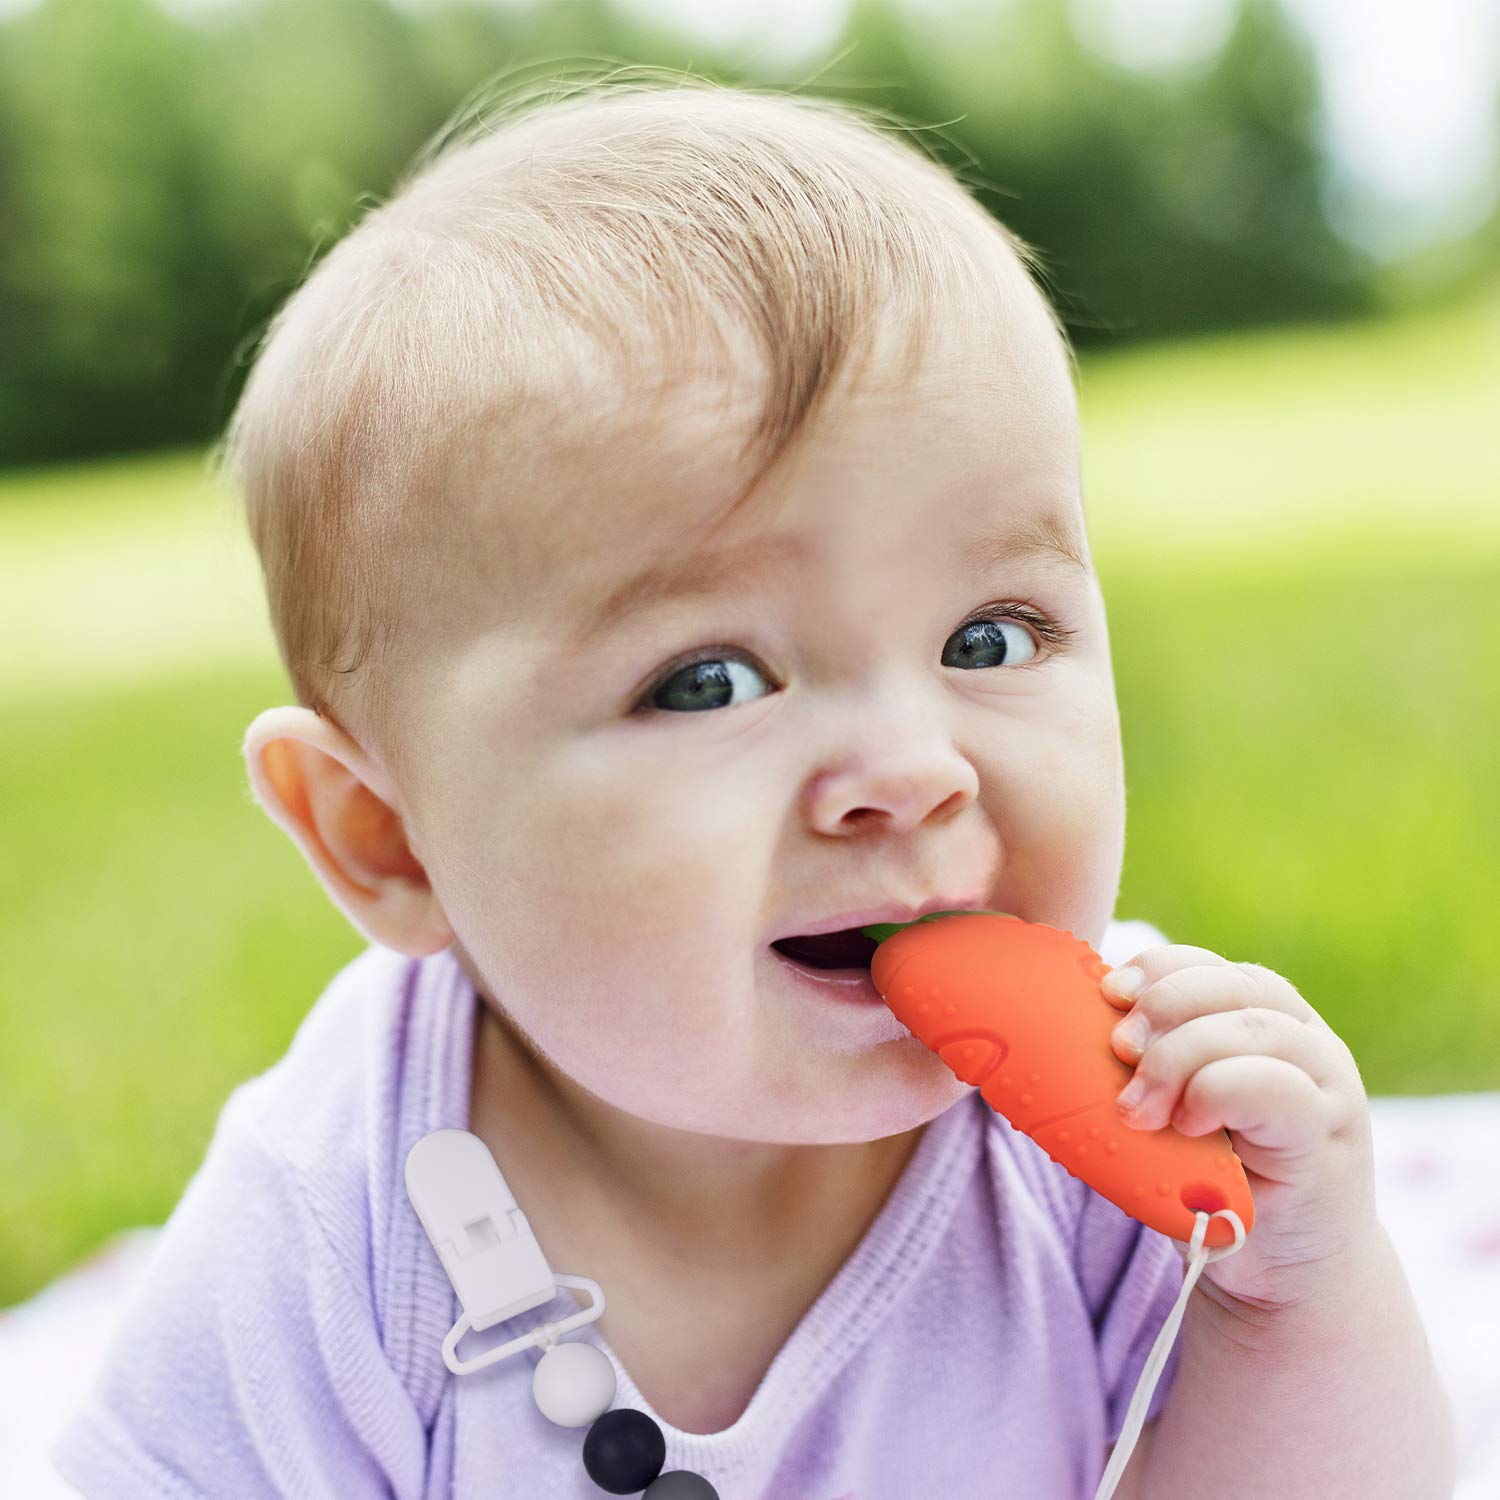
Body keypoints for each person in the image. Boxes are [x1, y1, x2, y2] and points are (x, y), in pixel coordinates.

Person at [50, 70, 1454, 1500]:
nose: (911, 770)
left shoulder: (1123, 1116)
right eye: (712, 679)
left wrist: (1292, 1298)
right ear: (388, 841)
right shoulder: (333, 1234)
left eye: (990, 637)